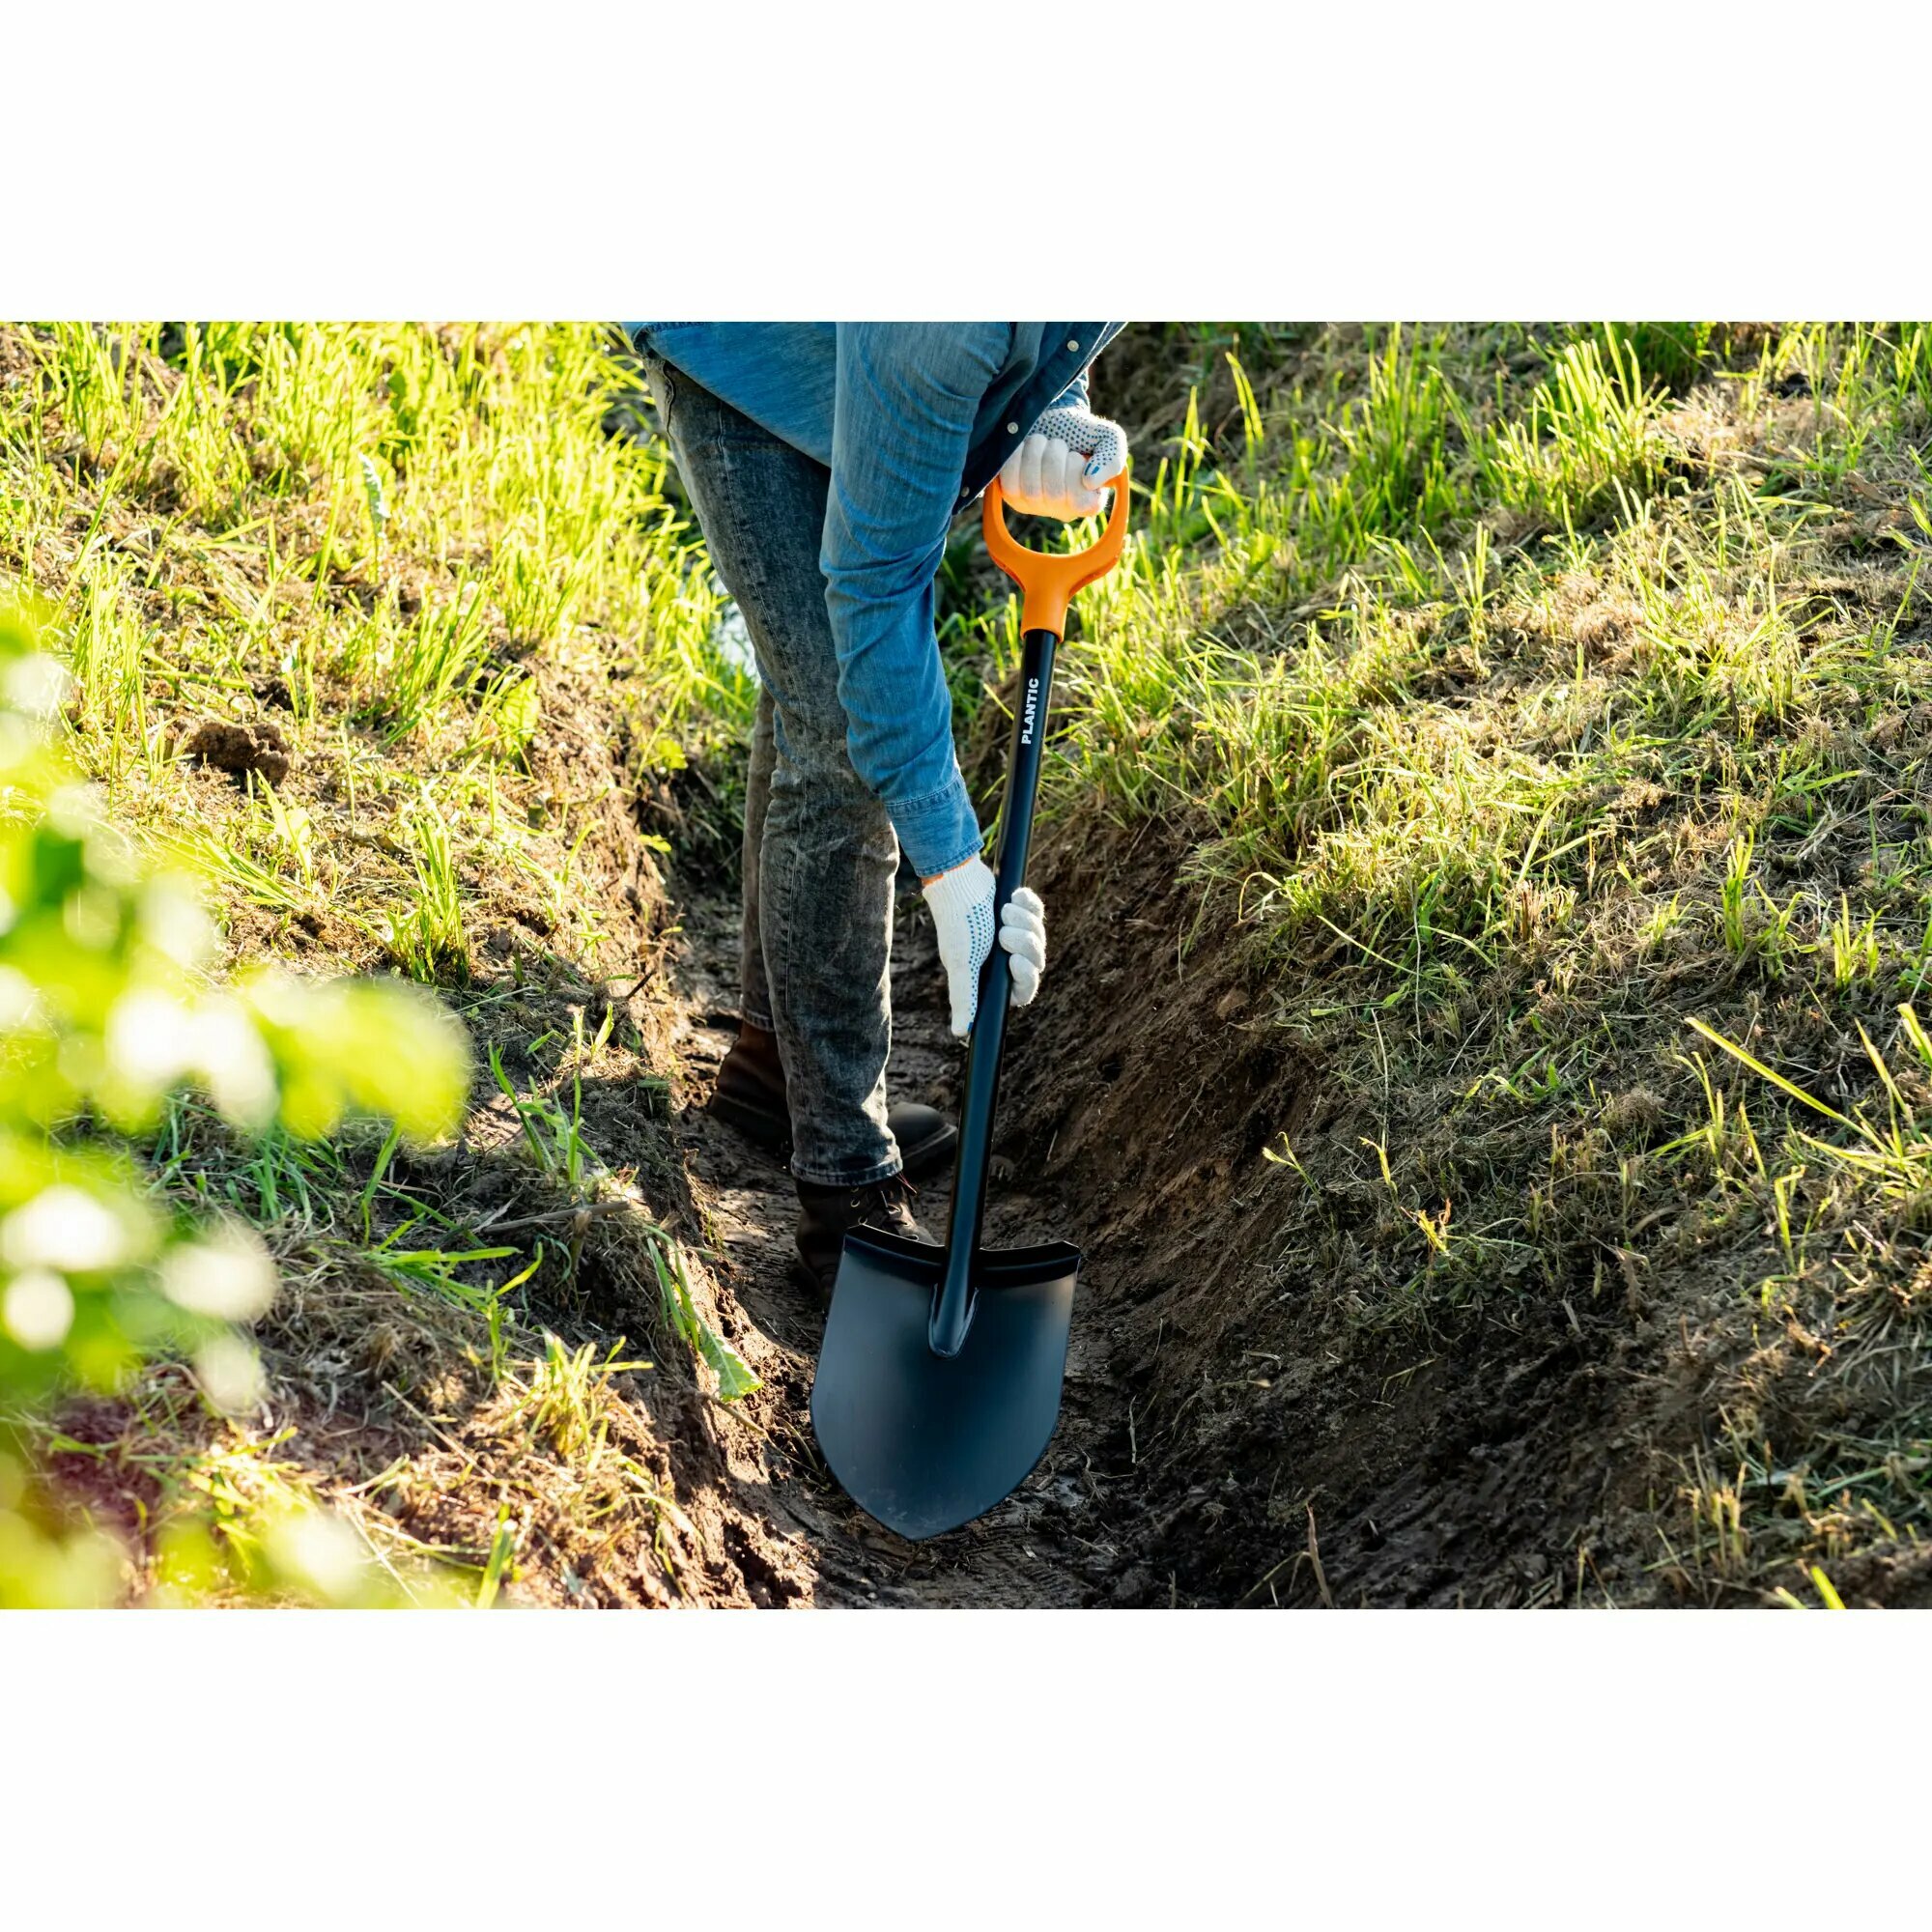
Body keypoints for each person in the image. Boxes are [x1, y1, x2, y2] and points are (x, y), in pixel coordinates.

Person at [626, 324, 1128, 1292]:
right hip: (744, 352)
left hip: (861, 344)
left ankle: (777, 1069)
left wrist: (1053, 409)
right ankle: (844, 1183)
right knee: (838, 730)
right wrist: (954, 869)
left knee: (815, 687)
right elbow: (874, 585)